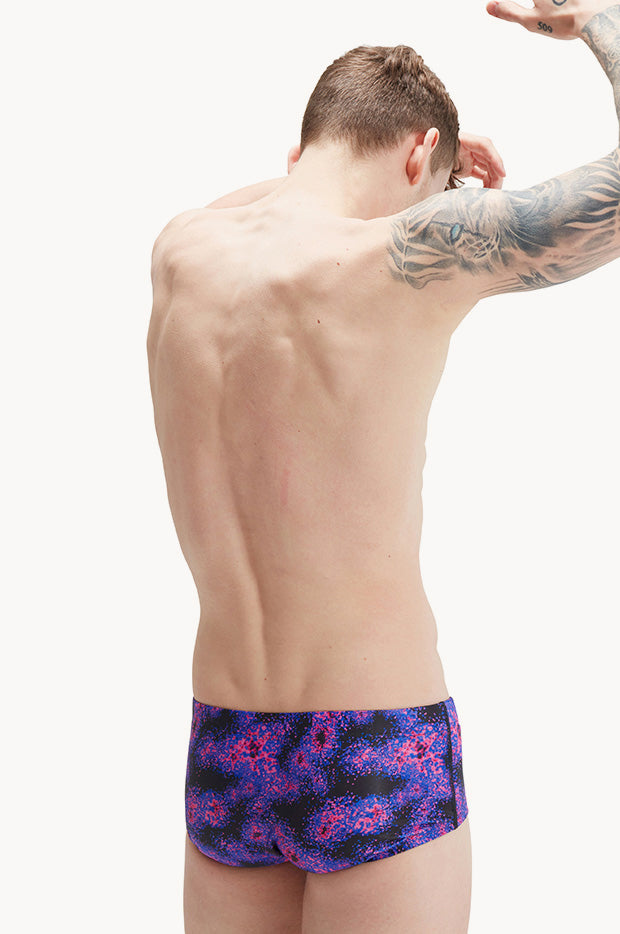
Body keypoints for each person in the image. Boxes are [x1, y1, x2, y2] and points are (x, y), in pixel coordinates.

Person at [146, 1, 620, 931]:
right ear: (419, 156)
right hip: (374, 740)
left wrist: (400, 161)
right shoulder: (407, 254)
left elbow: (287, 192)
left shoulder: (180, 250)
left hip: (227, 746)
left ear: (305, 148)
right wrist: (602, 22)